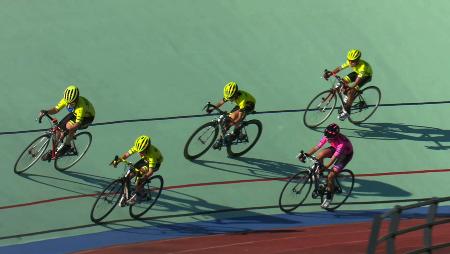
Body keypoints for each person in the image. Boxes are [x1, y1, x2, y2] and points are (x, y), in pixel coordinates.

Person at [298, 123, 353, 208]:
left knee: (331, 176)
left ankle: (329, 198)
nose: (327, 139)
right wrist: (306, 154)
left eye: (329, 139)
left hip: (345, 155)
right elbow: (317, 147)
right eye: (326, 137)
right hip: (335, 148)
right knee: (320, 155)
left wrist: (324, 168)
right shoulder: (327, 136)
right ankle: (319, 175)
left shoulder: (341, 144)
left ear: (334, 137)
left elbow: (332, 160)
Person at [40, 85, 95, 161]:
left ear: (76, 100)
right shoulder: (67, 99)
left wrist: (66, 131)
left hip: (86, 118)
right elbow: (56, 109)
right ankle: (53, 151)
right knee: (58, 129)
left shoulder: (81, 107)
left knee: (69, 127)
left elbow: (77, 124)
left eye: (71, 103)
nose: (69, 104)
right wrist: (46, 112)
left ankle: (67, 145)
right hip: (75, 113)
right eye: (68, 102)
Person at [112, 135, 163, 206]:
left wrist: (144, 178)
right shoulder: (138, 147)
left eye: (142, 151)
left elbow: (150, 171)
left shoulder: (152, 155)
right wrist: (118, 160)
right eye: (139, 151)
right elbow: (126, 155)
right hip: (145, 160)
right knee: (128, 176)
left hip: (155, 164)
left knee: (140, 177)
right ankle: (127, 195)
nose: (140, 153)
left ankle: (142, 195)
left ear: (147, 149)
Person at [323, 49, 373, 120]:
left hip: (365, 76)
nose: (350, 62)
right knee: (342, 82)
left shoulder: (363, 67)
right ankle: (347, 98)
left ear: (358, 60)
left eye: (352, 61)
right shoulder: (350, 62)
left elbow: (356, 82)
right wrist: (331, 73)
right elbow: (340, 68)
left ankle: (347, 111)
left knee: (352, 90)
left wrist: (350, 87)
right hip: (356, 73)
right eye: (349, 60)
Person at [207, 81, 256, 148]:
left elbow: (239, 117)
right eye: (228, 98)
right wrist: (213, 109)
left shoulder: (242, 100)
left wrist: (230, 125)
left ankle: (236, 133)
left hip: (248, 105)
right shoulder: (230, 95)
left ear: (235, 94)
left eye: (230, 98)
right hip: (239, 105)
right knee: (228, 119)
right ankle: (223, 138)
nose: (229, 100)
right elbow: (221, 102)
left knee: (236, 119)